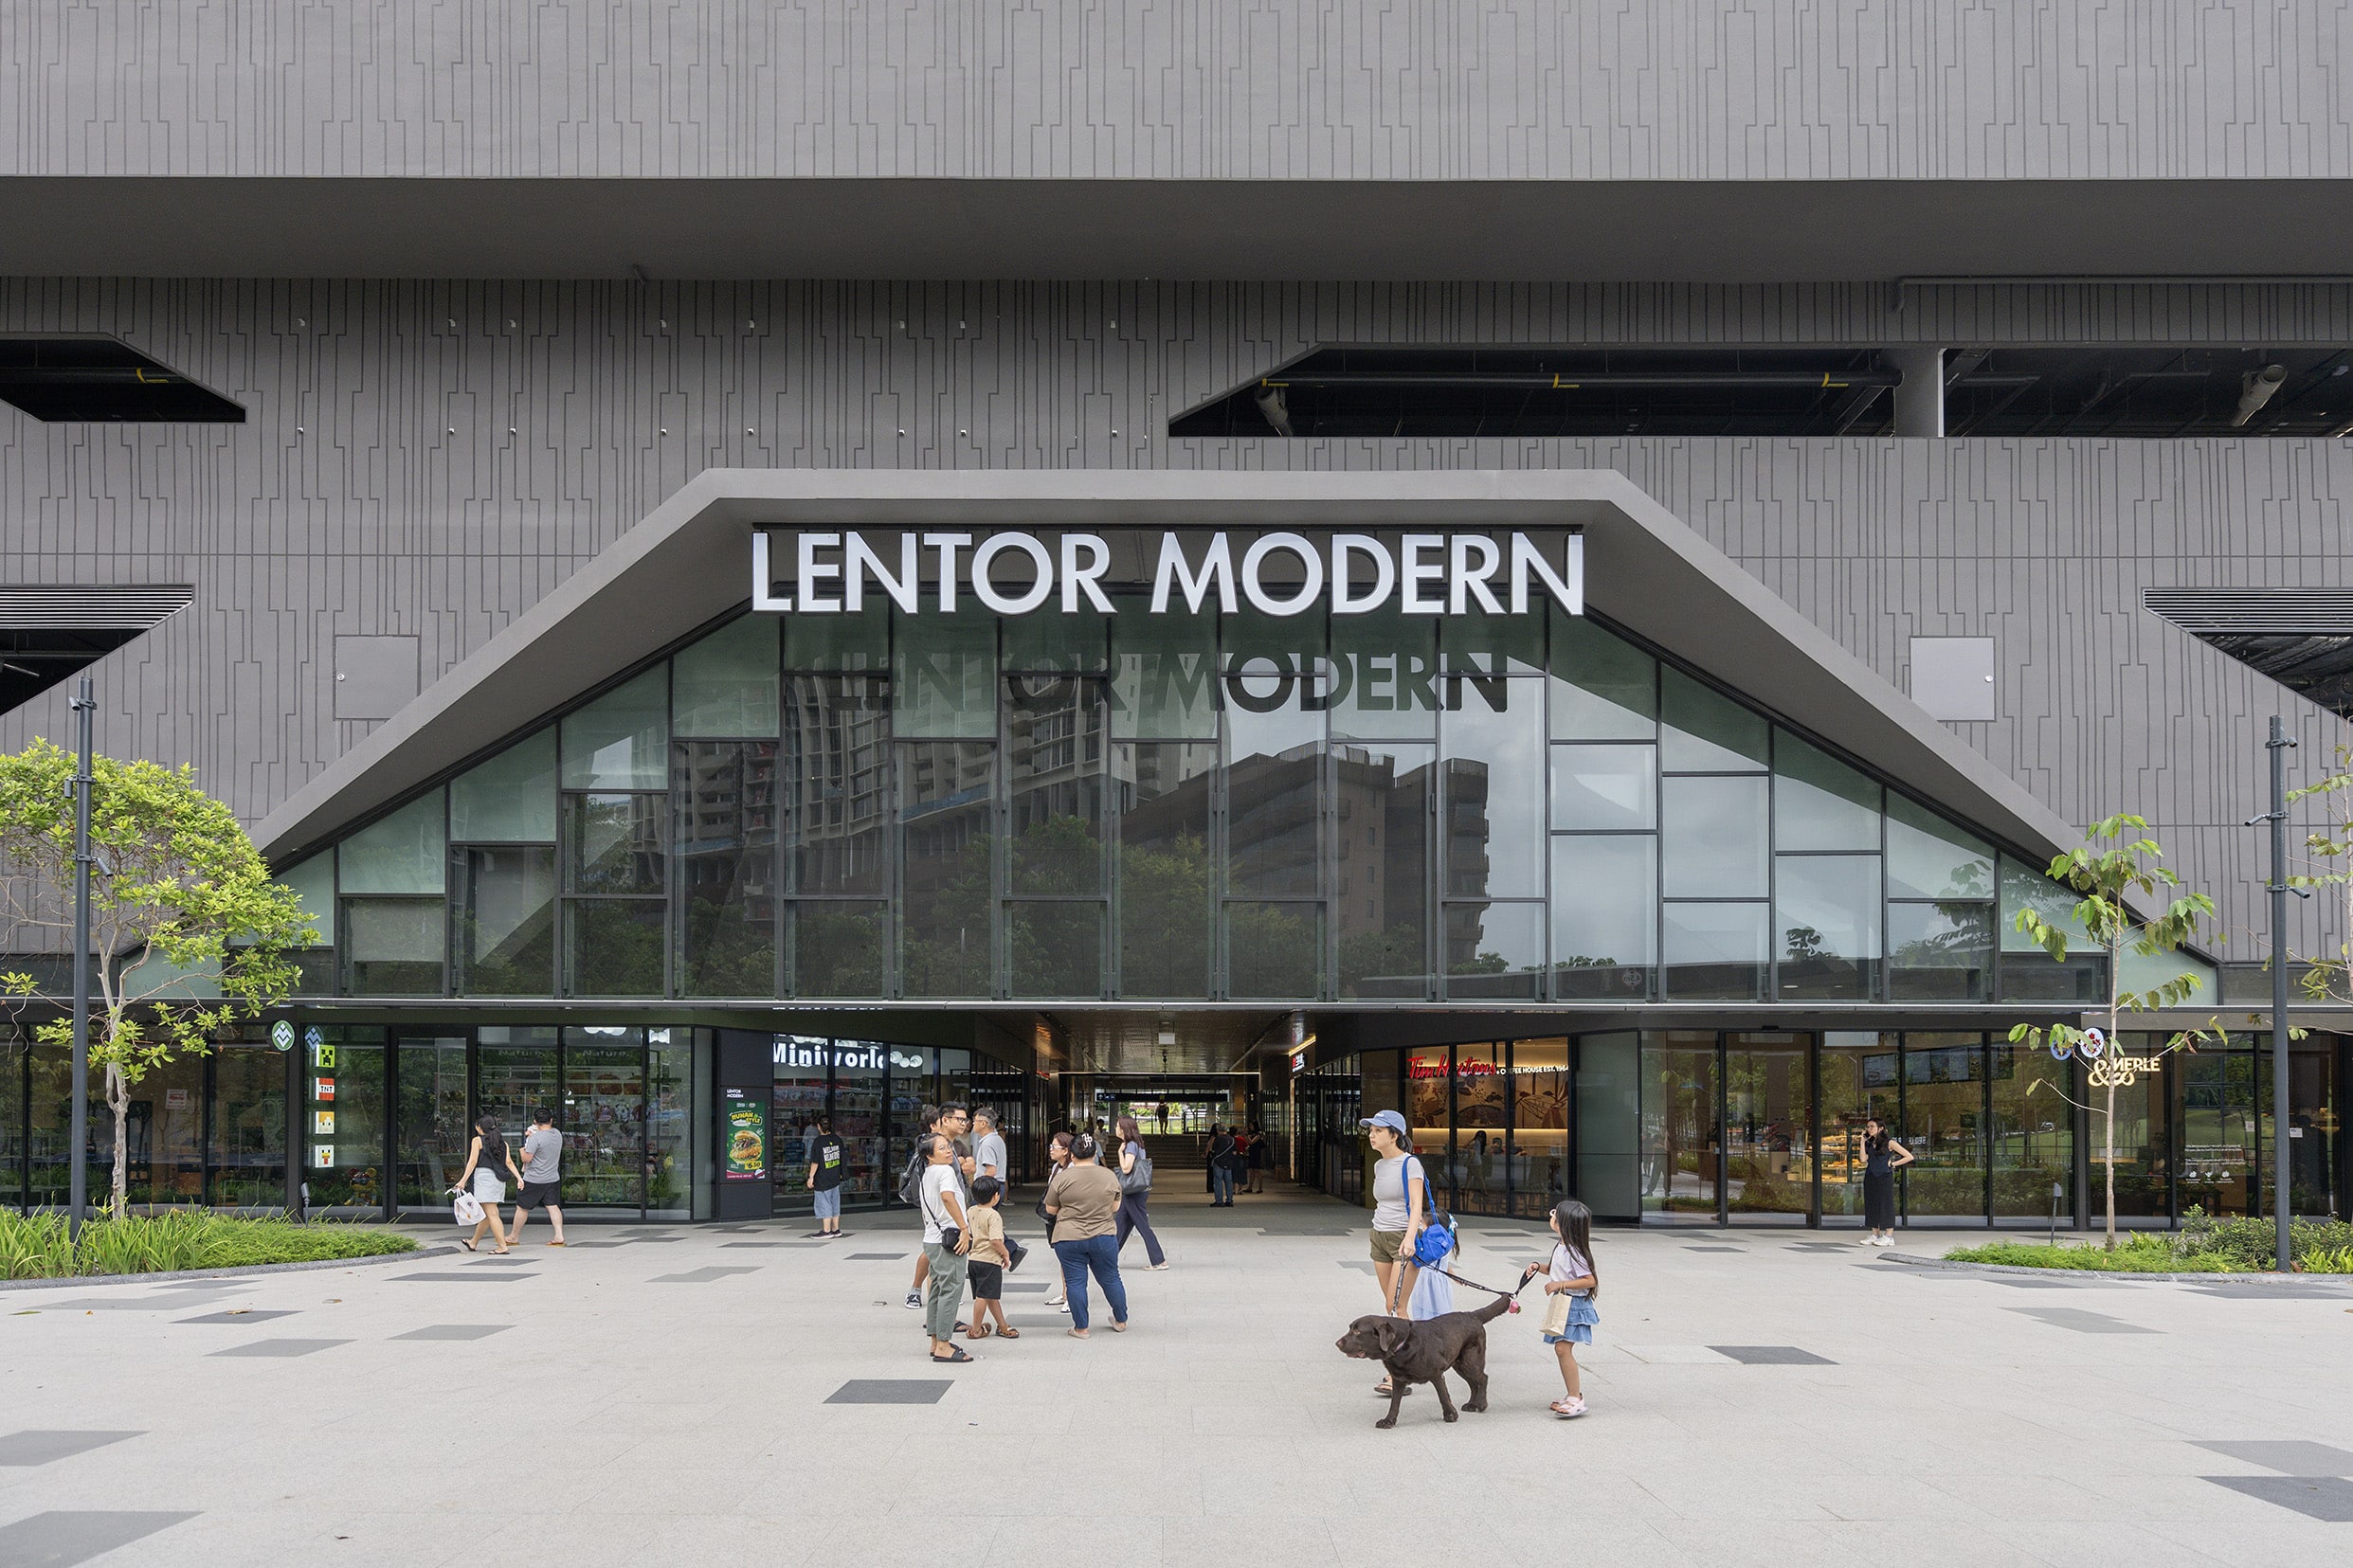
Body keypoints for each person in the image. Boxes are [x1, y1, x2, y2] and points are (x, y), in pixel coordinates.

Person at [1361, 1109, 1428, 1396]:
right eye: (1371, 1130)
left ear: (1395, 1135)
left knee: (1397, 1306)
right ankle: (1408, 1365)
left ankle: (1400, 1373)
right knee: (1391, 1306)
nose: (1372, 1135)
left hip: (1403, 1239)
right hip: (1379, 1236)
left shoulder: (1410, 1164)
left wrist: (1410, 1237)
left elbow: (1416, 1204)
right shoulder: (1379, 1165)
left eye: (1378, 1130)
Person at [1518, 1198, 1600, 1418]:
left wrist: (1559, 1284)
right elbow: (1556, 1270)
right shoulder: (1562, 1246)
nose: (1551, 1216)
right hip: (1562, 1302)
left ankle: (1575, 1398)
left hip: (1573, 1304)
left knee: (1563, 1349)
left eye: (1555, 1214)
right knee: (1561, 1349)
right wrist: (1538, 1267)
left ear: (1564, 1224)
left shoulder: (1576, 1251)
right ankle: (1572, 1395)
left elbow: (1589, 1280)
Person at [1042, 1132, 1129, 1339]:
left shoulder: (1062, 1178)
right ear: (1094, 1153)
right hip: (1104, 1235)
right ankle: (1121, 1320)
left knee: (1075, 1282)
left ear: (1071, 1154)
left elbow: (1050, 1209)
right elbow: (1115, 1206)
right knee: (1110, 1278)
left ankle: (1081, 1328)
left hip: (1069, 1237)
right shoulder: (1109, 1175)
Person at [917, 1132, 976, 1362]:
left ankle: (936, 1340)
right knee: (951, 1290)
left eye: (948, 1146)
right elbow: (948, 1198)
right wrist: (964, 1228)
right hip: (949, 1240)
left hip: (932, 1239)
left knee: (937, 1290)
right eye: (941, 1148)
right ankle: (943, 1344)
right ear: (930, 1156)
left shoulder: (927, 1174)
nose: (948, 1151)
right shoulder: (945, 1171)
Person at [454, 1114, 519, 1254]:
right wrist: (519, 1178)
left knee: (492, 1213)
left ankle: (502, 1246)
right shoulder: (503, 1143)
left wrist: (463, 1180)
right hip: (498, 1181)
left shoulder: (477, 1141)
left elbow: (472, 1162)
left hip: (484, 1179)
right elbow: (509, 1162)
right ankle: (473, 1242)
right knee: (486, 1214)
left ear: (479, 1127)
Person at [964, 1175, 1017, 1341]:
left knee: (989, 1295)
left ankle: (1002, 1326)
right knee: (983, 1296)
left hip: (973, 1260)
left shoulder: (971, 1210)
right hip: (989, 1261)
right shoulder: (993, 1215)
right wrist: (1005, 1253)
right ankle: (976, 1329)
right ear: (995, 1196)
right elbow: (995, 1240)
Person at [1113, 1114, 1168, 1271]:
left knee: (1142, 1226)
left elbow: (1126, 1168)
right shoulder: (1137, 1144)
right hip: (1135, 1190)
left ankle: (1159, 1260)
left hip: (1134, 1192)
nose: (1116, 1128)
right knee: (1121, 1224)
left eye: (1118, 1126)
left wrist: (1119, 1153)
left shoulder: (1130, 1145)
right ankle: (1110, 1258)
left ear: (1124, 1128)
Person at [507, 1107, 567, 1247]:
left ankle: (513, 1236)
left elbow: (526, 1158)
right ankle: (559, 1235)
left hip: (534, 1178)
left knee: (522, 1208)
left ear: (535, 1121)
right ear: (551, 1120)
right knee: (553, 1206)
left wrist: (522, 1148)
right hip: (552, 1177)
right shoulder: (557, 1134)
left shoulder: (535, 1138)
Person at [1860, 1117, 1913, 1247]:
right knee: (1871, 1203)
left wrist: (1893, 1164)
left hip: (1884, 1175)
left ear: (1881, 1128)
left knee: (1886, 1203)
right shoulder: (1869, 1143)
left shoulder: (1889, 1142)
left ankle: (1888, 1235)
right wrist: (1862, 1142)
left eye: (1872, 1126)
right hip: (1870, 1175)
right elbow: (1863, 1159)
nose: (1869, 1129)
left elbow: (1909, 1156)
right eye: (1868, 1127)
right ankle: (1875, 1233)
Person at [1039, 1130, 1075, 1310]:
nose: (1051, 1149)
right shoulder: (1055, 1168)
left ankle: (1071, 1296)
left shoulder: (1073, 1169)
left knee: (1070, 1259)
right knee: (1062, 1257)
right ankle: (1065, 1293)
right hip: (1055, 1219)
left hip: (1069, 1220)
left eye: (1054, 1147)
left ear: (1066, 1150)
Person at [805, 1114, 847, 1238]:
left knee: (824, 1203)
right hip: (835, 1177)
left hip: (822, 1178)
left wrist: (811, 1177)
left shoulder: (818, 1142)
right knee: (835, 1202)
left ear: (818, 1126)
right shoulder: (837, 1140)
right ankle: (836, 1229)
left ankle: (826, 1230)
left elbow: (815, 1162)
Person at [971, 1108, 1007, 1192]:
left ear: (983, 1124)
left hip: (989, 1187)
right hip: (998, 1184)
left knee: (975, 1205)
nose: (973, 1123)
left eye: (975, 1121)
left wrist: (979, 1187)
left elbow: (991, 1170)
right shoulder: (997, 1139)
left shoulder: (988, 1143)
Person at [1206, 1123, 1238, 1205]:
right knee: (1228, 1182)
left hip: (1219, 1162)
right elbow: (1234, 1152)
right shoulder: (1232, 1139)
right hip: (1229, 1163)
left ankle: (1219, 1201)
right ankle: (1229, 1200)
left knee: (1218, 1181)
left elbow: (1213, 1150)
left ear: (1218, 1130)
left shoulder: (1217, 1139)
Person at [1247, 1122, 1269, 1194]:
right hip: (1252, 1153)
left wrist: (1245, 1136)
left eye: (1251, 1126)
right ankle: (1250, 1187)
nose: (1250, 1127)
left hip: (1256, 1154)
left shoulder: (1258, 1135)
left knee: (1257, 1170)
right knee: (1251, 1170)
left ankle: (1260, 1188)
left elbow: (1251, 1142)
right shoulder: (1252, 1134)